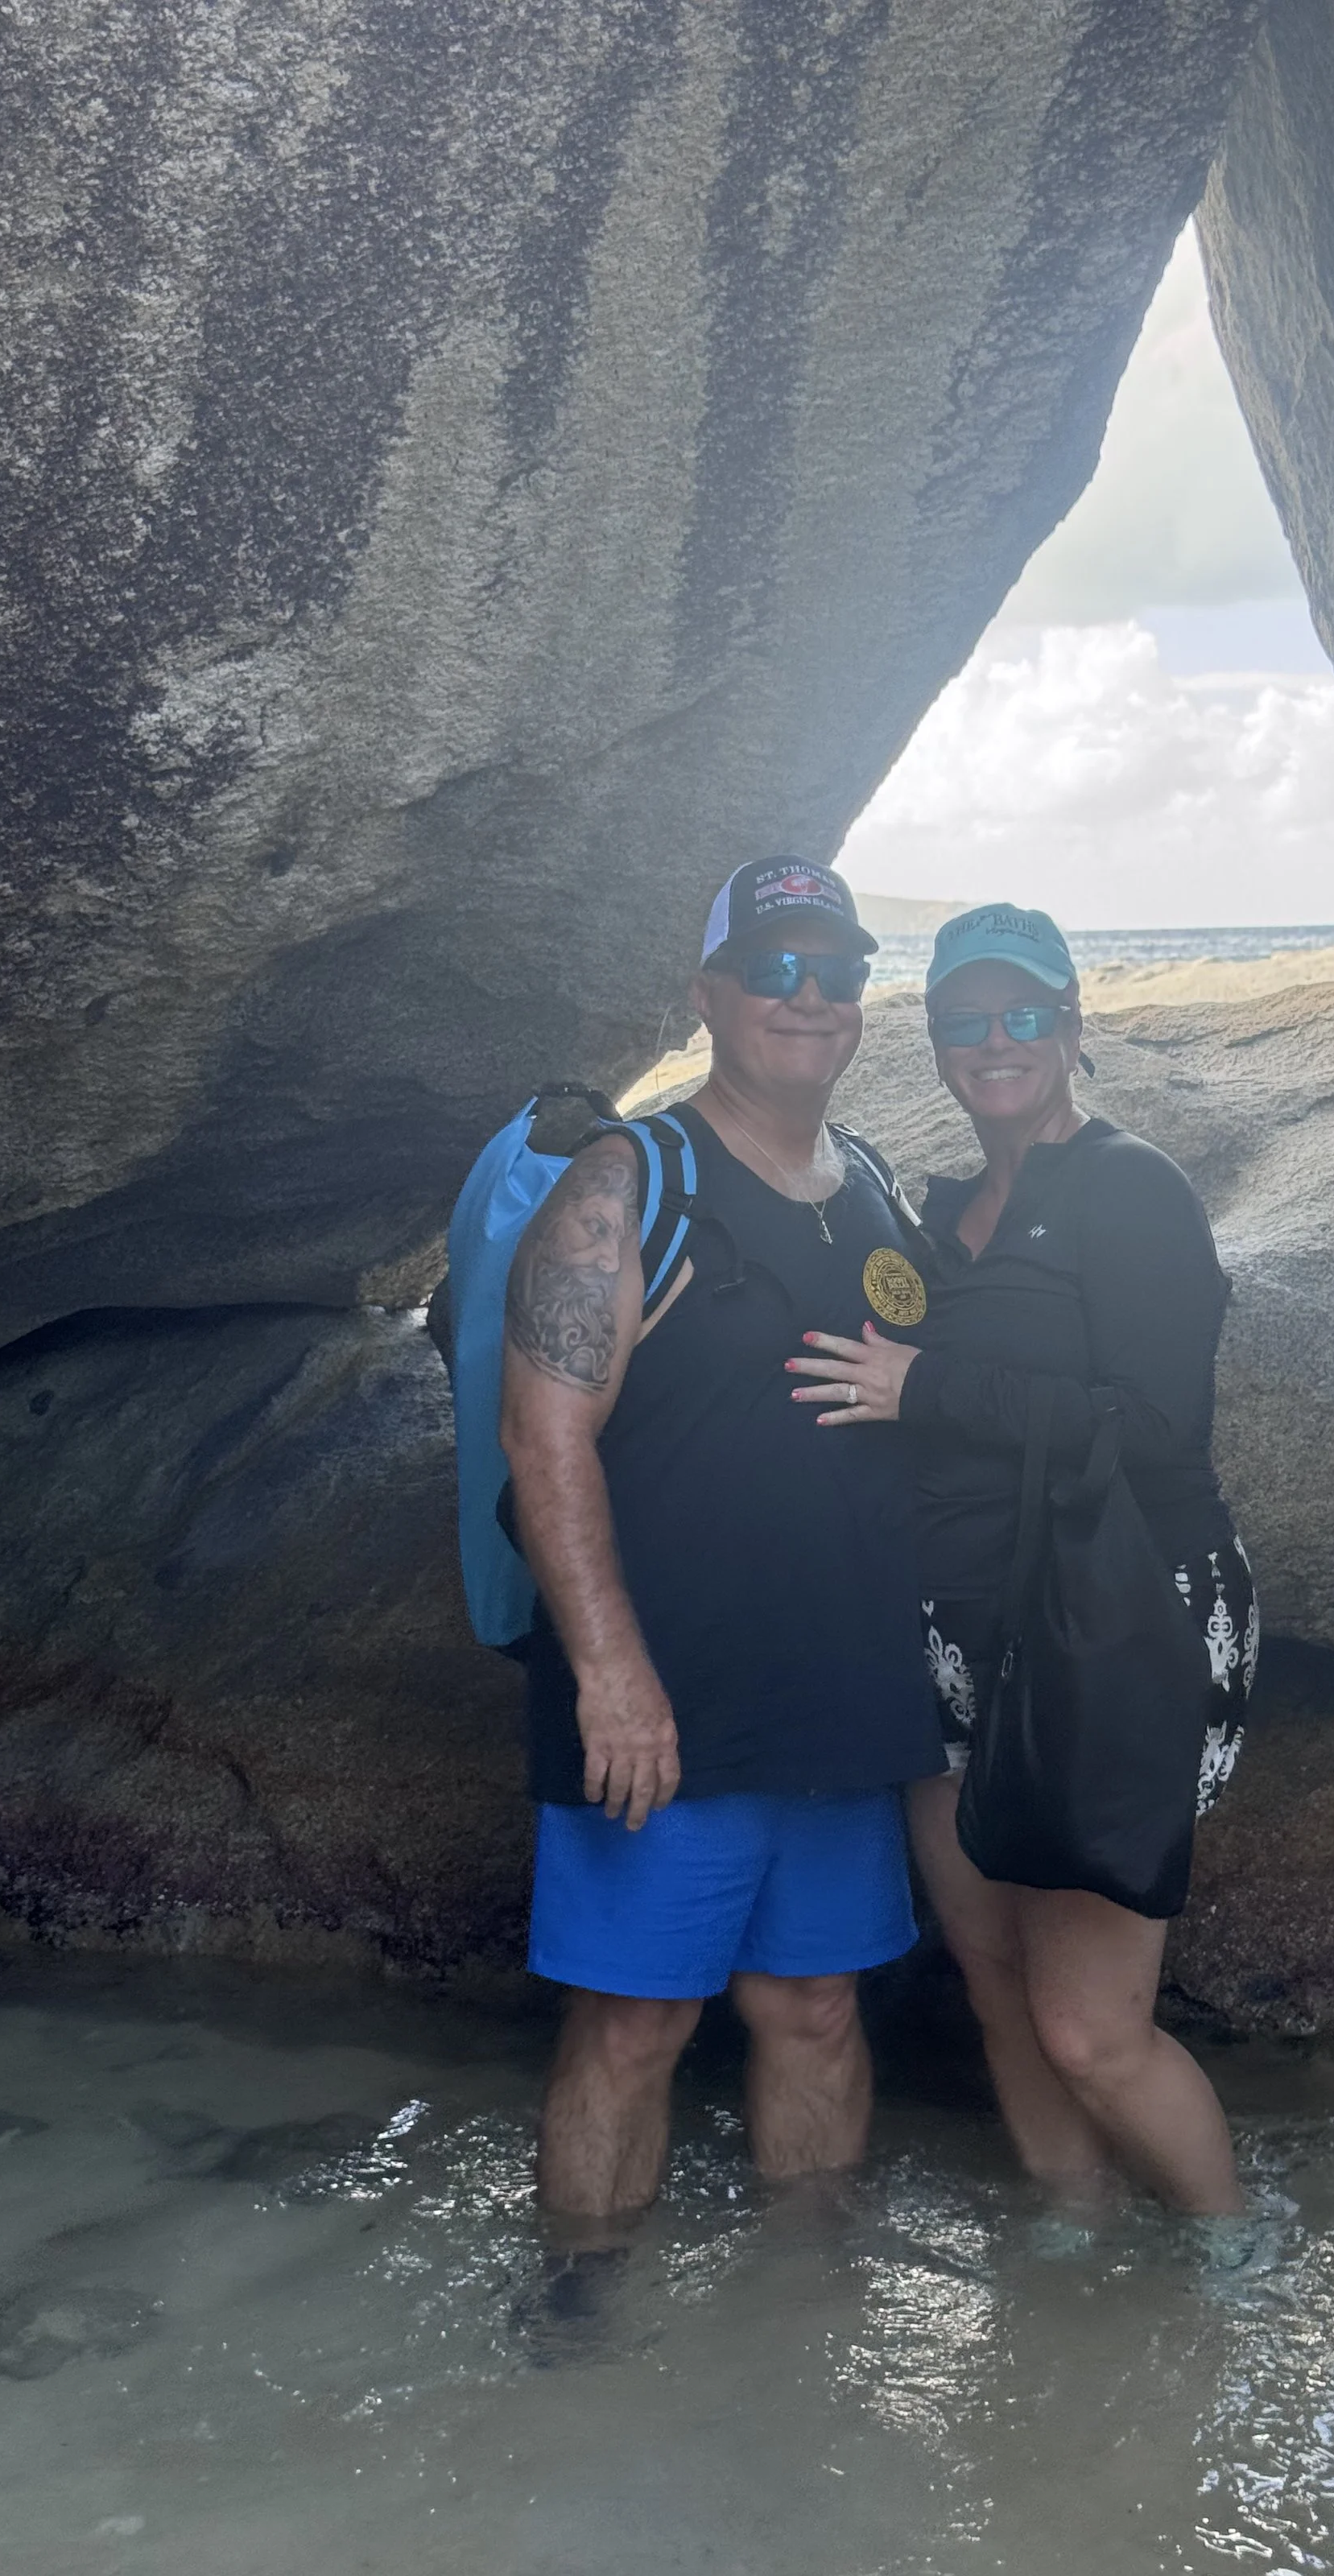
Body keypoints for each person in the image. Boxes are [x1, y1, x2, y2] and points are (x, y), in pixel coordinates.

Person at [787, 902, 1256, 2222]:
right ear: (934, 1041)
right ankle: (1076, 2228)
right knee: (991, 1971)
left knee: (1089, 2031)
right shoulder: (940, 1213)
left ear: (1070, 1025)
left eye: (1022, 1014)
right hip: (956, 1630)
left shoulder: (1130, 1189)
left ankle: (1235, 2269)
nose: (994, 1041)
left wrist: (931, 1389)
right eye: (963, 1021)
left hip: (1113, 1623)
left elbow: (1162, 1431)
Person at [501, 856, 943, 2241]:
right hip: (666, 1703)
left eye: (839, 971)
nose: (811, 998)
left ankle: (803, 2347)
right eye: (777, 971)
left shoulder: (866, 1181)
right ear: (710, 996)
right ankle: (578, 2332)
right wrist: (611, 1675)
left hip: (841, 1704)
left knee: (816, 2011)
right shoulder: (631, 1183)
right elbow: (544, 1442)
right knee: (635, 2029)